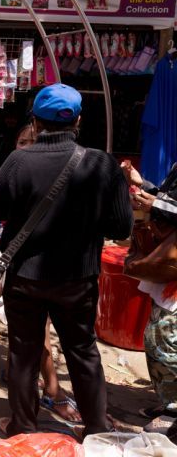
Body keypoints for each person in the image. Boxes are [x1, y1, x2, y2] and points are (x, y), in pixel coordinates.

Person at [0, 84, 133, 438]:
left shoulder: (17, 161)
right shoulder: (101, 163)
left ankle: (23, 426)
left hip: (24, 278)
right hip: (77, 279)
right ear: (78, 120)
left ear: (34, 122)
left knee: (24, 351)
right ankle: (96, 428)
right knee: (82, 351)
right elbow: (121, 226)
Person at [1, 122, 81, 423]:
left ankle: (53, 391)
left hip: (44, 272)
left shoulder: (48, 173)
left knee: (40, 335)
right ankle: (42, 388)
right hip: (21, 266)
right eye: (19, 141)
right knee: (28, 334)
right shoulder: (18, 170)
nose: (22, 147)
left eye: (28, 141)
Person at [122, 160, 177, 437]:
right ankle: (169, 402)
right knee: (158, 338)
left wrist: (154, 204)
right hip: (169, 267)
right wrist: (143, 184)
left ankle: (174, 408)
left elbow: (167, 204)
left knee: (166, 339)